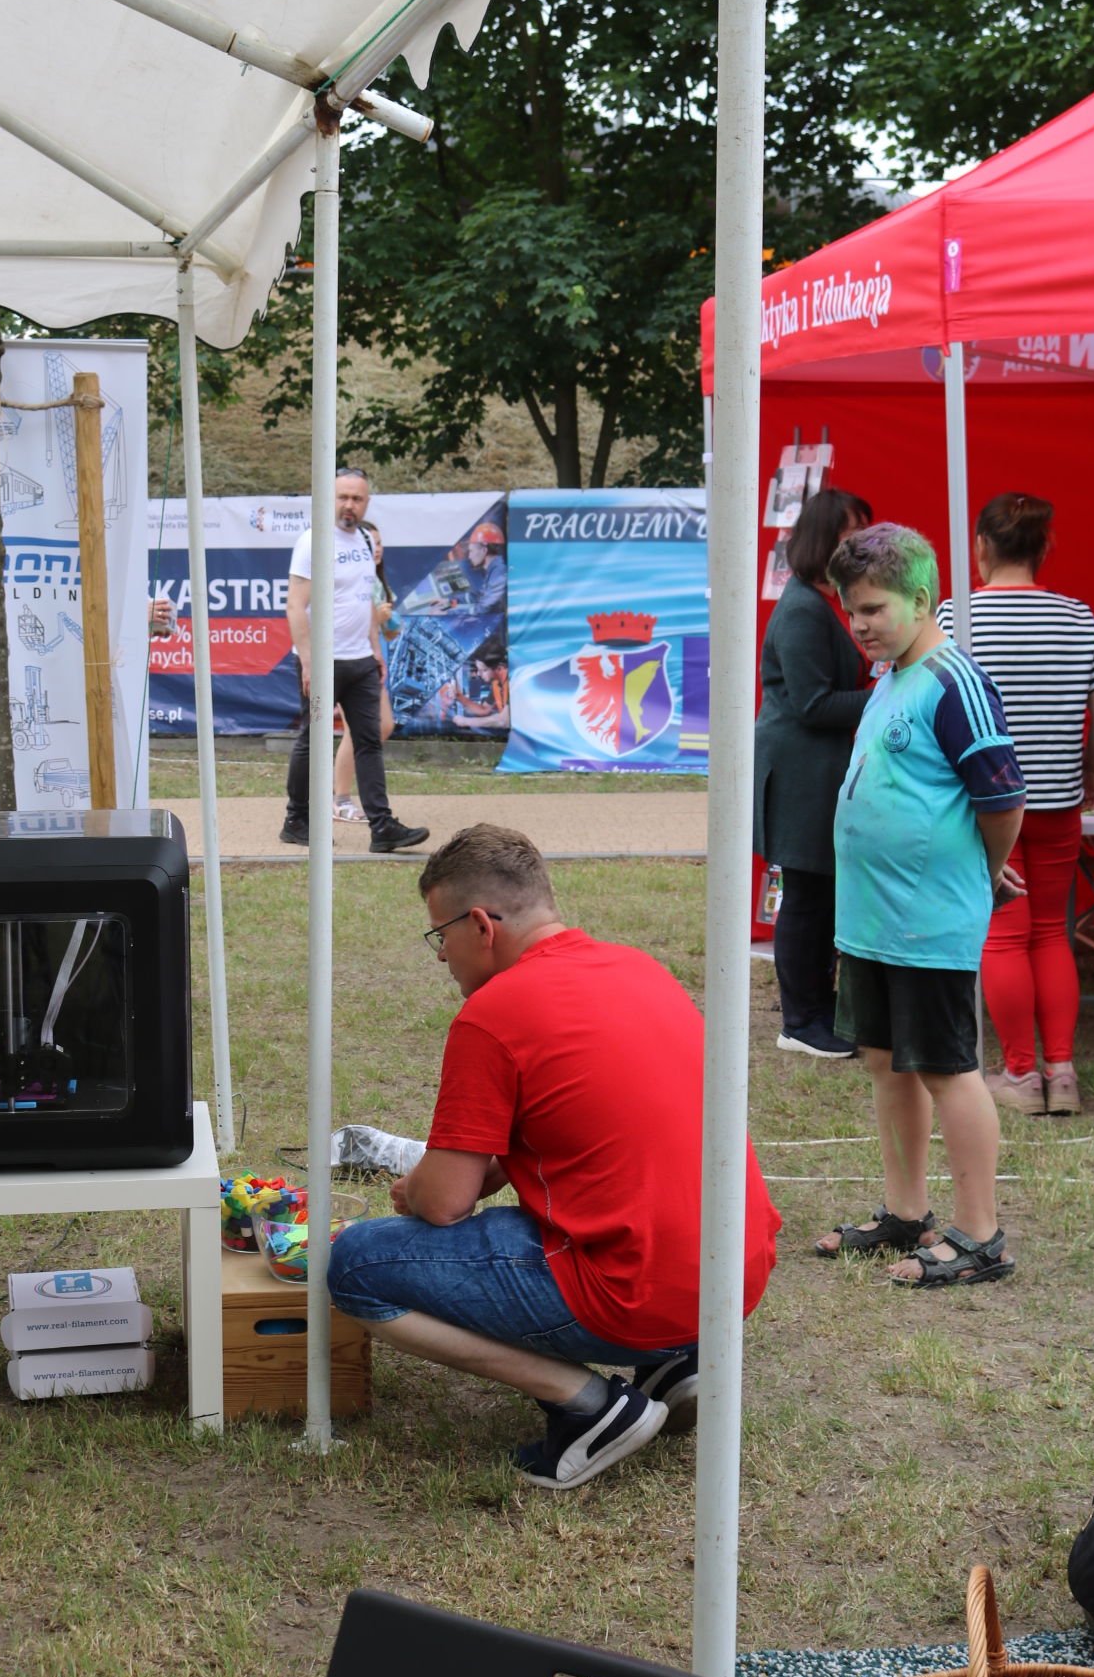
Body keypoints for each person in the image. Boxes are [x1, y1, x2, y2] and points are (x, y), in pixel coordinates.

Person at [326, 823, 782, 1488]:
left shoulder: (492, 1014)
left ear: (480, 925)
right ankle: (675, 1363)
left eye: (440, 936)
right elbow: (589, 1120)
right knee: (541, 1223)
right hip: (732, 1279)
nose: (441, 957)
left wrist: (420, 1189)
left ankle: (590, 1406)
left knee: (355, 1264)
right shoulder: (640, 967)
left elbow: (443, 1204)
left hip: (632, 1289)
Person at [815, 524, 1024, 1285]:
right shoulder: (888, 678)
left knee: (945, 1067)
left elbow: (1002, 798)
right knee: (883, 1062)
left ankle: (981, 1237)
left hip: (927, 920)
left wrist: (982, 873)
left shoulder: (952, 681)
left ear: (922, 599)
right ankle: (907, 1214)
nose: (860, 624)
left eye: (873, 608)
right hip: (871, 920)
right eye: (850, 611)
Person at [938, 494, 1094, 1115]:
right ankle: (1061, 1074)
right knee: (1052, 934)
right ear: (1043, 549)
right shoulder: (1077, 616)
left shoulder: (952, 620)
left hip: (986, 804)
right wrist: (1089, 770)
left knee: (1003, 937)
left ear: (980, 548)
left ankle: (1019, 1076)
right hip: (1058, 803)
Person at [754, 489, 874, 1056]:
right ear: (822, 538)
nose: (862, 544)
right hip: (800, 773)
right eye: (852, 534)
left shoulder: (823, 599)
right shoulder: (802, 607)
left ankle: (816, 1010)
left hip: (817, 772)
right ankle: (799, 1024)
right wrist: (884, 698)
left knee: (821, 896)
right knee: (805, 896)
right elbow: (813, 705)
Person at [283, 468, 427, 853]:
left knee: (369, 742)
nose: (349, 505)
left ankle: (382, 827)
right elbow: (296, 607)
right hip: (323, 662)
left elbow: (365, 600)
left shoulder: (365, 539)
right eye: (343, 497)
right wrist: (311, 664)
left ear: (367, 502)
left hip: (360, 660)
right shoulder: (313, 541)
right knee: (312, 740)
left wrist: (375, 651)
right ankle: (296, 819)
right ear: (330, 499)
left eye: (357, 498)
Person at [333, 520, 399, 824]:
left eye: (380, 542)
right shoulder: (350, 578)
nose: (377, 548)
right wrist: (377, 616)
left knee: (382, 727)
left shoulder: (376, 580)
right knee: (359, 731)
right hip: (350, 662)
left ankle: (341, 798)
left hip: (372, 664)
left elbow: (386, 633)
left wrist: (388, 622)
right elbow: (349, 618)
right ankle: (339, 800)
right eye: (371, 542)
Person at [451, 636, 510, 730]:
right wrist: (459, 696)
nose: (478, 674)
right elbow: (485, 710)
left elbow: (505, 721)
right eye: (478, 670)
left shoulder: (514, 683)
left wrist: (467, 721)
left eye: (484, 670)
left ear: (500, 668)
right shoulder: (497, 684)